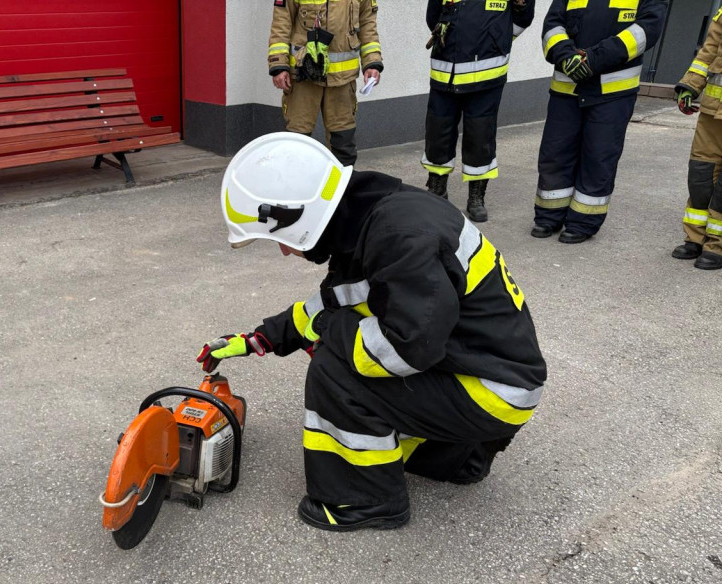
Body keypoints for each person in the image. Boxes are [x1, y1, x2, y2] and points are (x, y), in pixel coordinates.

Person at [201, 133, 546, 531]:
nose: (282, 251)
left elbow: (406, 348)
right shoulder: (374, 216)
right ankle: (458, 457)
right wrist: (260, 339)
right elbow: (338, 302)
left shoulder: (399, 239)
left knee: (336, 369)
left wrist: (330, 334)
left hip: (490, 392)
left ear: (299, 216)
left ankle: (363, 501)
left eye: (277, 239)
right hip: (491, 375)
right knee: (344, 340)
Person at [532, 0, 667, 244]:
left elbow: (645, 31)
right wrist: (565, 55)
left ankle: (583, 222)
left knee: (598, 156)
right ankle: (548, 216)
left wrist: (593, 59)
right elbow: (552, 26)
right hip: (567, 89)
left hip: (612, 93)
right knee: (555, 152)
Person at [422, 0, 535, 223]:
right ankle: (437, 189)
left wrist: (496, 38)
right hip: (445, 71)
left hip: (486, 75)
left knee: (479, 136)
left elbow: (523, 18)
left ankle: (476, 197)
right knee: (438, 133)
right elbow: (432, 17)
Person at [268, 0, 384, 166]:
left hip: (342, 81)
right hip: (304, 76)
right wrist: (278, 65)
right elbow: (281, 23)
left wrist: (372, 62)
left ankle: (340, 190)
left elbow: (368, 25)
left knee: (343, 143)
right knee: (297, 141)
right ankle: (297, 189)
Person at [672, 7, 722, 271]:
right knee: (700, 174)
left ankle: (717, 245)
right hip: (713, 111)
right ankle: (696, 237)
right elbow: (709, 50)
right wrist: (690, 85)